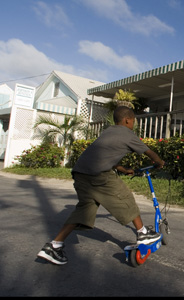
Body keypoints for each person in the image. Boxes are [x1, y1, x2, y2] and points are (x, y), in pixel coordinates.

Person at [37, 106, 165, 265]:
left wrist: (123, 169)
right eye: (133, 121)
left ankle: (54, 246)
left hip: (80, 173)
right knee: (125, 197)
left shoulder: (108, 132)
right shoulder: (127, 133)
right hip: (98, 175)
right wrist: (159, 163)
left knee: (84, 210)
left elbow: (104, 155)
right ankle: (143, 233)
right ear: (127, 120)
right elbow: (148, 152)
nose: (133, 124)